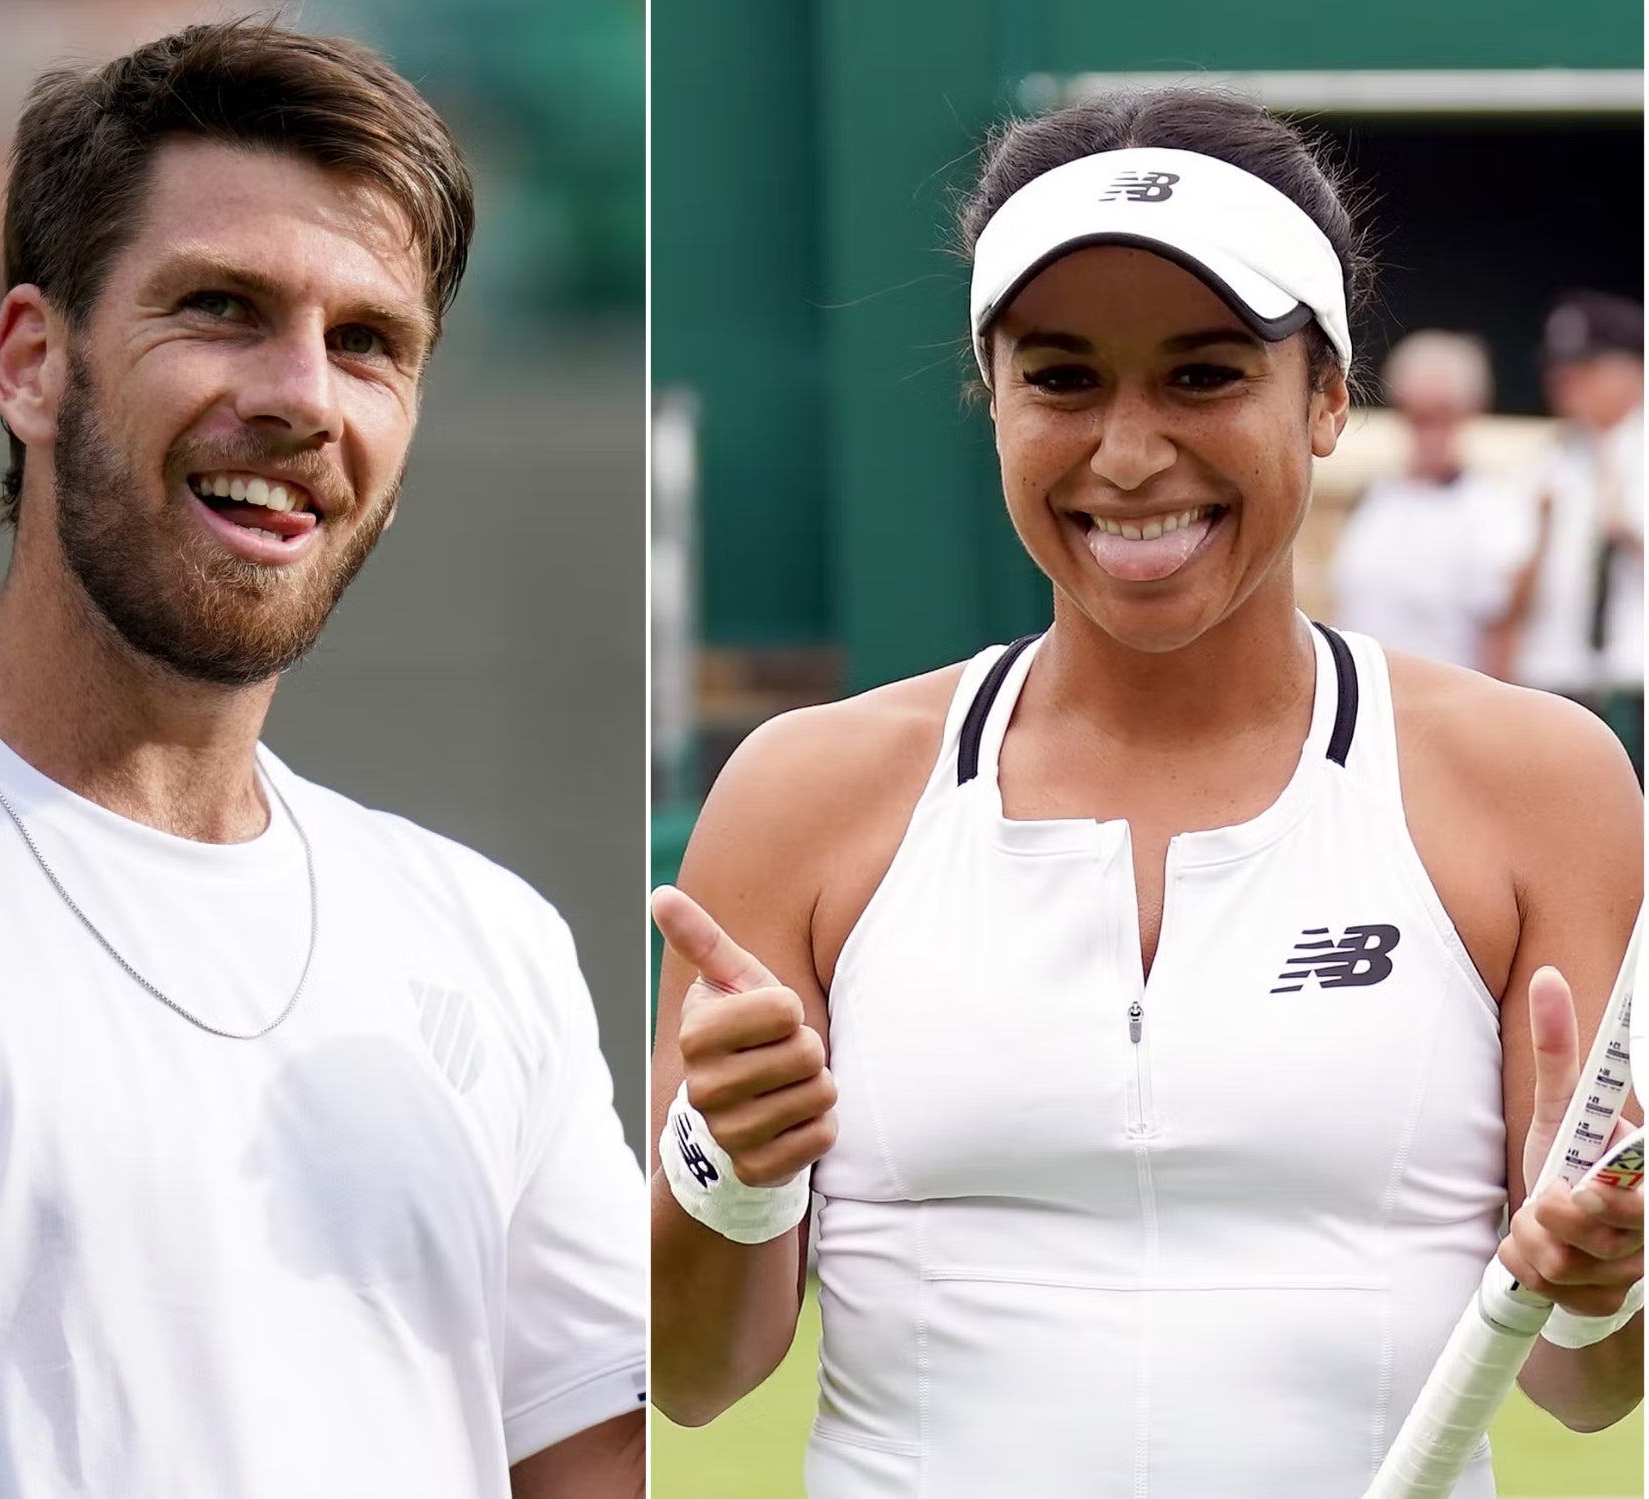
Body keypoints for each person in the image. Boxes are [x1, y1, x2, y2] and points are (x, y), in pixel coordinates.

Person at [0, 23, 645, 1499]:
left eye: (369, 340)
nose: (303, 394)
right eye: (221, 308)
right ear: (32, 362)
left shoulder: (490, 939)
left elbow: (594, 1459)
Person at [649, 89, 1642, 1499]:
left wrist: (1595, 1275)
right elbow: (691, 1377)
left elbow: (1589, 1381)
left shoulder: (1534, 781)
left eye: (1201, 374)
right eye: (1060, 378)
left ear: (1326, 398)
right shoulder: (806, 791)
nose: (1126, 454)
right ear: (987, 396)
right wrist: (725, 1167)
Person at [1502, 291, 1645, 777]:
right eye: (1559, 369)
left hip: (1632, 681)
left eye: (1586, 366)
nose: (1565, 383)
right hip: (1554, 677)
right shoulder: (1548, 461)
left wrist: (1621, 518)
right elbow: (1509, 594)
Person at [1329, 331, 1524, 674]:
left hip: (1447, 707)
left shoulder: (1493, 510)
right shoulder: (1378, 497)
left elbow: (1501, 631)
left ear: (1470, 412)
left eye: (1442, 414)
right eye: (1418, 415)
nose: (1429, 432)